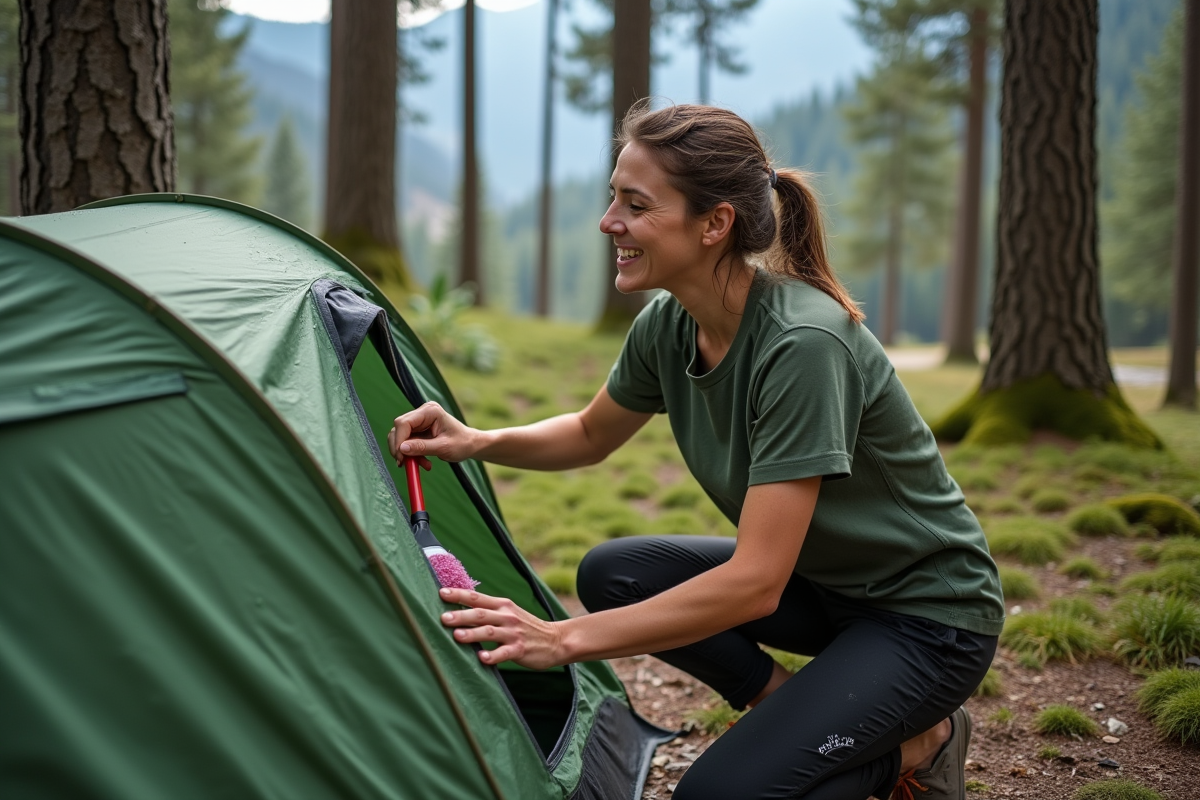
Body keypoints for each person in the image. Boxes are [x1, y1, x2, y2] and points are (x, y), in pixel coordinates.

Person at [387, 102, 1003, 800]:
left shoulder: (804, 346)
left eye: (636, 204)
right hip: (829, 588)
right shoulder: (670, 324)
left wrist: (561, 640)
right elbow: (592, 433)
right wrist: (478, 441)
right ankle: (789, 705)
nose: (608, 221)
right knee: (616, 573)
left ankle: (924, 743)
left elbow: (754, 582)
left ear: (714, 224)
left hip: (925, 618)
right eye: (613, 196)